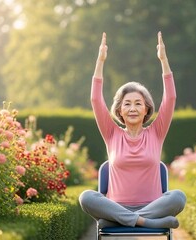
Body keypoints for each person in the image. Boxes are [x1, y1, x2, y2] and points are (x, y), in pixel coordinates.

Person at [79, 31, 186, 229]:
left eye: (138, 103)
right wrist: (100, 61)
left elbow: (170, 98)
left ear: (146, 108)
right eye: (127, 104)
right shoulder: (112, 134)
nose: (133, 108)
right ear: (119, 109)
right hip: (116, 205)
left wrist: (163, 60)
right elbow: (95, 99)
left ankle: (120, 220)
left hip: (153, 206)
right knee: (86, 197)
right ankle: (144, 222)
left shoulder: (156, 132)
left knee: (178, 197)